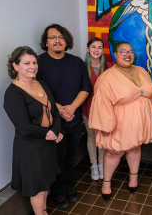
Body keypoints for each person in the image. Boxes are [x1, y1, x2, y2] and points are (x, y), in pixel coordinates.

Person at [89, 42, 152, 202]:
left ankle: (133, 179)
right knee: (114, 152)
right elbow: (101, 102)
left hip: (139, 122)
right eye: (123, 52)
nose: (128, 55)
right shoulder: (107, 77)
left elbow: (150, 93)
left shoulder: (141, 70)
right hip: (118, 124)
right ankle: (106, 184)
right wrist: (106, 126)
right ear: (115, 54)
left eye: (130, 52)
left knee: (135, 148)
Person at [37, 24, 92, 210]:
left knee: (70, 157)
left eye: (61, 37)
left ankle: (69, 186)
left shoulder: (76, 62)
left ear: (66, 40)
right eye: (52, 37)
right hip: (53, 123)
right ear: (46, 42)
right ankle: (58, 193)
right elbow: (39, 92)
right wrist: (61, 109)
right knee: (57, 160)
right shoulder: (39, 63)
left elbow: (86, 87)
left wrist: (73, 107)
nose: (57, 40)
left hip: (74, 120)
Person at [4, 46, 62, 215]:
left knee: (45, 185)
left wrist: (57, 130)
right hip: (30, 148)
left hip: (48, 144)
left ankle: (43, 211)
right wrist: (50, 134)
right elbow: (24, 127)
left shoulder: (41, 83)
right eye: (27, 63)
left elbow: (54, 111)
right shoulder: (13, 93)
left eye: (34, 62)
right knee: (37, 188)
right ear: (15, 66)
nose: (33, 66)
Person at [82, 37, 112, 180]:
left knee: (102, 137)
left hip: (104, 110)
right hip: (87, 107)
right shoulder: (81, 68)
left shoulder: (110, 67)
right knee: (92, 137)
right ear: (88, 49)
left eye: (99, 47)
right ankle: (94, 165)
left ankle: (102, 164)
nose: (96, 50)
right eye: (93, 47)